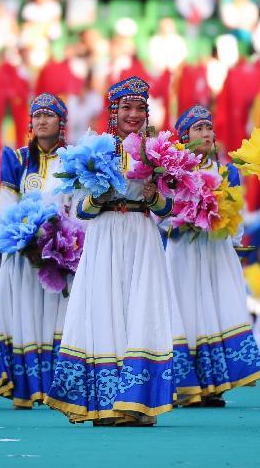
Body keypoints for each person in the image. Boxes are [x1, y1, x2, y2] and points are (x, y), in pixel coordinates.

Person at [45, 77, 176, 426]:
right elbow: (78, 212)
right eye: (125, 108)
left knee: (140, 312)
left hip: (141, 236)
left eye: (139, 109)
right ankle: (105, 403)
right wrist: (97, 198)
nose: (133, 114)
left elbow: (169, 212)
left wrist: (152, 197)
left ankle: (136, 403)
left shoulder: (157, 150)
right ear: (113, 111)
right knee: (104, 310)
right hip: (103, 237)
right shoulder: (95, 148)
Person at [166, 105, 260, 406]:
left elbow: (237, 214)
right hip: (183, 250)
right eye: (198, 128)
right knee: (187, 311)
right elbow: (162, 211)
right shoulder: (173, 171)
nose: (207, 133)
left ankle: (215, 384)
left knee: (217, 309)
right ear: (184, 136)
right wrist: (183, 218)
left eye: (209, 127)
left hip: (216, 250)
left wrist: (227, 235)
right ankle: (187, 387)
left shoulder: (227, 171)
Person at [0, 94, 72, 408]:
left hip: (62, 255)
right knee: (26, 316)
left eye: (49, 115)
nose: (42, 121)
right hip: (24, 256)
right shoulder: (17, 159)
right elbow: (7, 209)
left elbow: (74, 209)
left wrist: (61, 244)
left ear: (61, 122)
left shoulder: (73, 159)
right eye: (37, 116)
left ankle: (59, 388)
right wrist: (28, 242)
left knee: (57, 319)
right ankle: (26, 388)